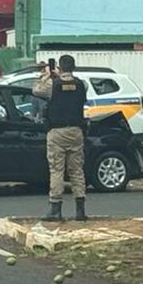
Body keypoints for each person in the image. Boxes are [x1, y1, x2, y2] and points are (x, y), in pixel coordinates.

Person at [32, 54, 88, 222]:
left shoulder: (52, 84)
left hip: (57, 132)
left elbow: (36, 90)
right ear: (74, 67)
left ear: (60, 67)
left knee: (57, 170)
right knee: (77, 170)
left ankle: (55, 209)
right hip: (76, 130)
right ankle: (80, 210)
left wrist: (48, 75)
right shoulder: (81, 85)